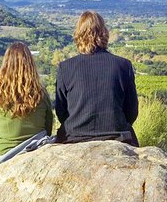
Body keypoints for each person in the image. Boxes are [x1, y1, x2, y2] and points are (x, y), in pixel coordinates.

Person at [55, 11, 139, 146]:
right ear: (104, 32)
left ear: (78, 35)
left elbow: (61, 112)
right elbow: (131, 111)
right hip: (117, 136)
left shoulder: (65, 68)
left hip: (74, 137)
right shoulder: (123, 65)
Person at [0, 42, 53, 179]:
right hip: (36, 151)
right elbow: (48, 128)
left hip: (4, 153)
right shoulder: (42, 93)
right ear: (30, 64)